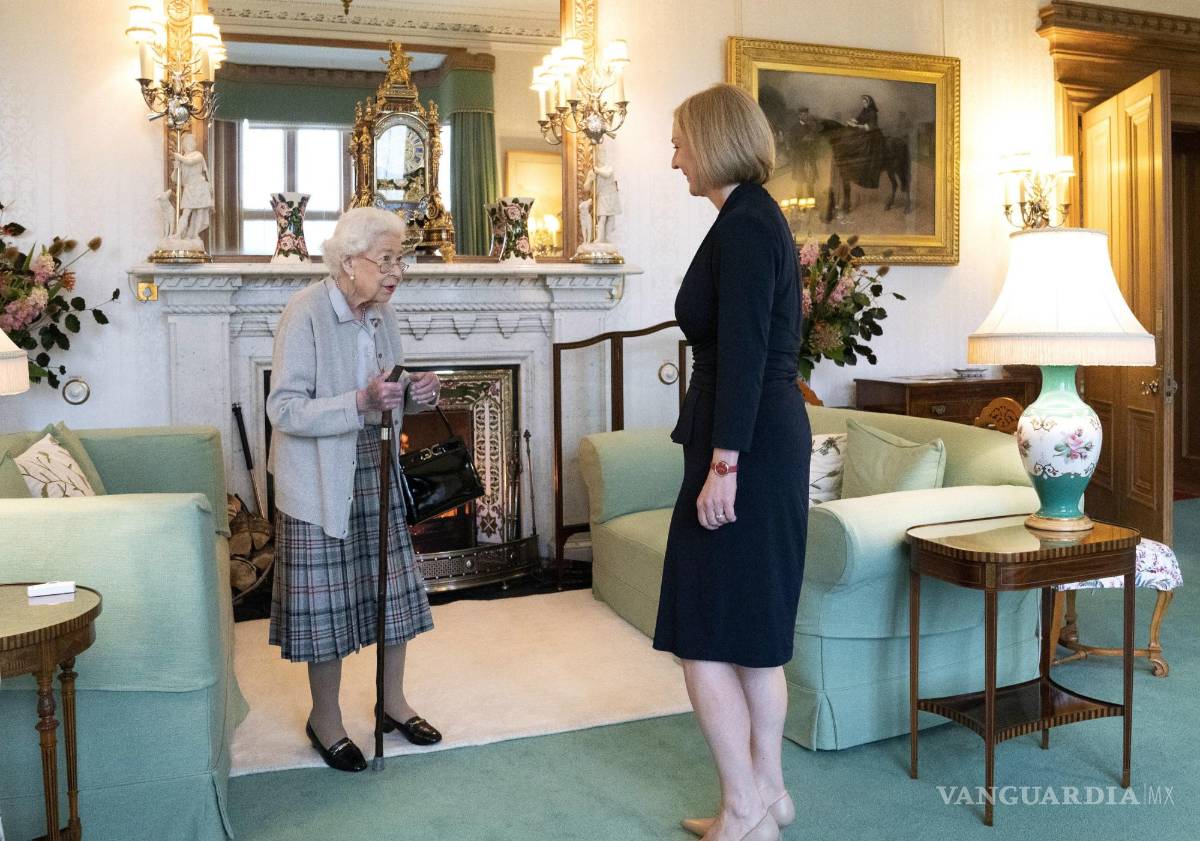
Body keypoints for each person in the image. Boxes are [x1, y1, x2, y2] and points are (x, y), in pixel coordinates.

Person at [659, 83, 811, 841]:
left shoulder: (748, 223)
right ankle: (764, 794)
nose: (674, 154)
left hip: (743, 445)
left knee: (705, 632)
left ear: (713, 140)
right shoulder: (750, 218)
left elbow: (747, 352)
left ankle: (747, 808)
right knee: (746, 628)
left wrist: (725, 465)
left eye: (681, 139)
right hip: (754, 438)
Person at [266, 207, 442, 773]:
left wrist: (416, 393)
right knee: (329, 608)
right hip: (318, 479)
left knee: (393, 594)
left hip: (375, 466)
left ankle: (392, 704)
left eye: (402, 259)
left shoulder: (381, 315)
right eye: (386, 259)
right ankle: (326, 720)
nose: (397, 271)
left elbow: (385, 388)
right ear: (349, 261)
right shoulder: (306, 312)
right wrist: (360, 403)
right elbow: (284, 408)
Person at [172, 132, 213, 240]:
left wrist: (180, 158)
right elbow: (175, 179)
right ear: (184, 144)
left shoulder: (198, 155)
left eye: (193, 141)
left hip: (199, 186)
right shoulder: (182, 158)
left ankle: (195, 234)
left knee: (200, 211)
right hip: (189, 188)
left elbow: (190, 162)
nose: (192, 144)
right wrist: (176, 168)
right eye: (189, 141)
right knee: (186, 212)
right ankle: (178, 234)